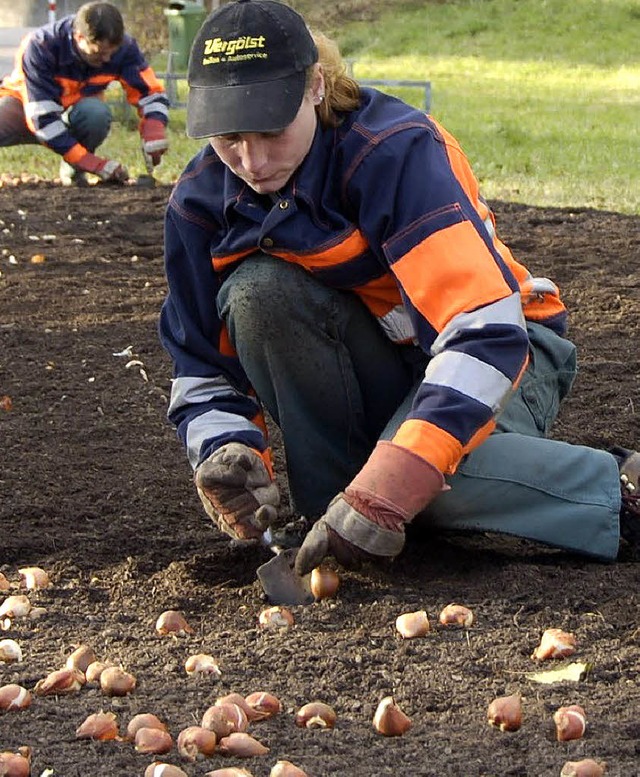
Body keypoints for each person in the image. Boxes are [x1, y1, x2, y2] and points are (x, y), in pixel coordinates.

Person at [159, 0, 640, 581]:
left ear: (314, 88)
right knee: (257, 290)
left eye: (270, 130)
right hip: (386, 359)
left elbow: (485, 335)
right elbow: (201, 364)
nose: (252, 161)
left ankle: (621, 494)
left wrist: (396, 481)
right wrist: (222, 450)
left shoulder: (392, 152)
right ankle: (346, 497)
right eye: (228, 137)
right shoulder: (200, 202)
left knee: (422, 487)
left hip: (508, 348)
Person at [0, 1, 169, 186]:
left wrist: (154, 128)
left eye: (111, 54)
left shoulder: (125, 49)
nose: (106, 60)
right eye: (99, 53)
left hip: (75, 112)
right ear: (80, 37)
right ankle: (79, 163)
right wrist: (92, 163)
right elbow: (42, 120)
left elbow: (150, 93)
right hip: (26, 106)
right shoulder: (41, 46)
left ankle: (74, 175)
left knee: (95, 113)